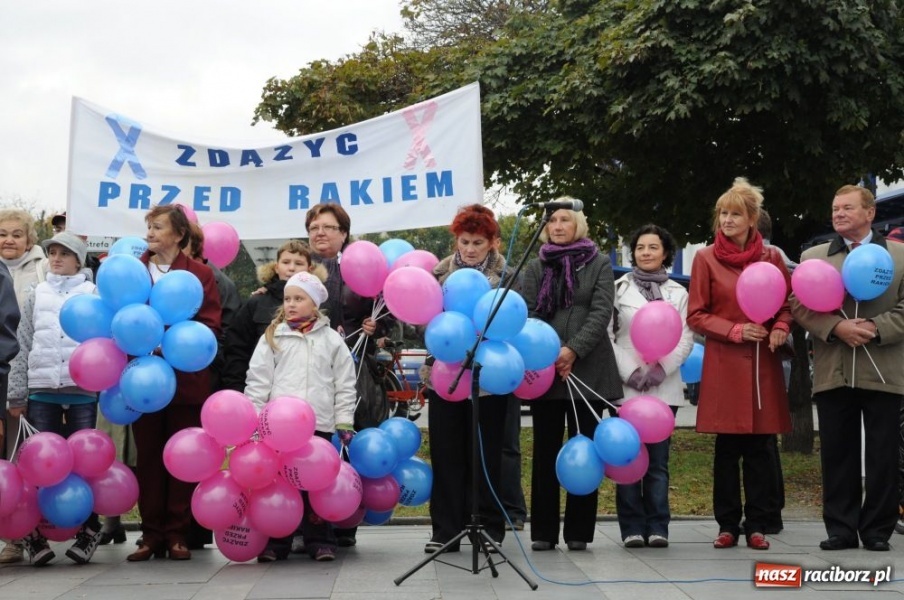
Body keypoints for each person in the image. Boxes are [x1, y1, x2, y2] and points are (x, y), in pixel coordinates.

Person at [790, 184, 904, 552]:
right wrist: (835, 328)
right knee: (837, 452)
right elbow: (799, 303)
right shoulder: (814, 257)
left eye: (847, 208)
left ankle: (877, 530)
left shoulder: (900, 256)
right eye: (835, 208)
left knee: (883, 455)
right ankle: (840, 527)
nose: (838, 213)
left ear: (870, 213)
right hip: (833, 370)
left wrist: (874, 329)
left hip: (884, 370)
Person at [687, 178, 792, 551]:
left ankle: (760, 524)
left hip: (763, 363)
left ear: (752, 219)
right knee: (727, 448)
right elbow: (696, 315)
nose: (726, 220)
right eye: (722, 213)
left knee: (762, 448)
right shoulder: (704, 258)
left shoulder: (773, 258)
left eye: (734, 214)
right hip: (725, 363)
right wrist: (733, 330)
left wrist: (780, 325)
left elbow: (786, 302)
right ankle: (727, 525)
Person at [521, 201, 623, 552]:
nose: (558, 225)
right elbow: (531, 313)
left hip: (590, 370)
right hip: (546, 371)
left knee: (587, 452)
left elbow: (600, 311)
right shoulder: (535, 267)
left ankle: (579, 530)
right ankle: (544, 533)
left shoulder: (598, 263)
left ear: (578, 225)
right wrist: (552, 354)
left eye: (565, 219)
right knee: (546, 452)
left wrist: (573, 350)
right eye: (552, 220)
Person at [127, 204, 221, 562]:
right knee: (149, 458)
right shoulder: (132, 271)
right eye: (148, 226)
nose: (150, 233)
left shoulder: (198, 274)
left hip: (185, 382)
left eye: (158, 227)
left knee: (182, 457)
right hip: (142, 382)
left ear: (179, 234)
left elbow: (211, 325)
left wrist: (169, 341)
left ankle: (177, 534)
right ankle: (150, 535)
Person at [243, 271, 356, 562]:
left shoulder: (332, 340)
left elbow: (344, 383)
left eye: (299, 298)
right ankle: (276, 539)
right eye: (288, 299)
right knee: (280, 483)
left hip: (318, 424)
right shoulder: (273, 336)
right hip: (279, 427)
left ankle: (319, 539)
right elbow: (258, 380)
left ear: (314, 304)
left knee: (316, 483)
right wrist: (254, 419)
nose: (291, 304)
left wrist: (344, 420)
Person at [422, 204, 514, 554]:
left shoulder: (507, 276)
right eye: (465, 241)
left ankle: (488, 527)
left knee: (486, 454)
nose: (471, 248)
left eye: (478, 242)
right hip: (444, 376)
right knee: (446, 453)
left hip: (490, 377)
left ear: (492, 242)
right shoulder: (438, 274)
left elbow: (517, 319)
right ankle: (445, 529)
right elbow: (422, 322)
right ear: (456, 241)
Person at [7, 232, 102, 565]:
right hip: (42, 389)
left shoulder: (93, 294)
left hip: (82, 392)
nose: (57, 258)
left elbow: (102, 345)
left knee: (84, 465)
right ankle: (32, 537)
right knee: (36, 464)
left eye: (65, 253)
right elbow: (23, 343)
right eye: (52, 253)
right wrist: (17, 392)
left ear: (79, 259)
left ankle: (90, 529)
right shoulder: (37, 294)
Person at [304, 203, 394, 548]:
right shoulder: (303, 267)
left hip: (357, 373)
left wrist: (377, 326)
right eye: (314, 227)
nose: (320, 233)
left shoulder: (361, 266)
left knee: (351, 440)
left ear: (344, 233)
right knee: (313, 445)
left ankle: (346, 520)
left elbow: (390, 310)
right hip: (311, 372)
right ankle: (307, 526)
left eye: (328, 227)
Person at [608, 224, 693, 548]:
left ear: (666, 253)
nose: (646, 252)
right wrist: (629, 372)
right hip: (626, 388)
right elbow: (607, 336)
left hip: (664, 388)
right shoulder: (617, 289)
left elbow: (686, 337)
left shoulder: (678, 293)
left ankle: (658, 526)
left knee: (657, 463)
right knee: (626, 458)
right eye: (640, 247)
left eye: (653, 247)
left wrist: (662, 368)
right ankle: (630, 527)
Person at [0, 208, 46, 564]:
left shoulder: (45, 270)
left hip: (25, 377)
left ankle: (20, 535)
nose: (9, 240)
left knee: (20, 456)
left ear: (29, 240)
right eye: (2, 233)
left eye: (17, 234)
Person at [222, 240, 325, 394]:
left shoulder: (320, 305)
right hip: (261, 391)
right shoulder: (256, 302)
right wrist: (237, 389)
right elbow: (237, 348)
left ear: (309, 269)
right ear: (276, 267)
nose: (291, 268)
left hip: (309, 391)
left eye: (298, 263)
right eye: (286, 262)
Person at [755, 208, 792, 535]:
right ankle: (771, 509)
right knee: (765, 441)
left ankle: (771, 510)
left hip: (768, 353)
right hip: (758, 352)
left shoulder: (772, 256)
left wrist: (781, 325)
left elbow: (790, 294)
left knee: (765, 440)